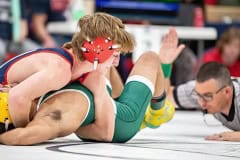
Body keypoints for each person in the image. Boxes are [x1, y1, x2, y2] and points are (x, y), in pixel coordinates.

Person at [0, 26, 184, 145]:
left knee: (103, 70)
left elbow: (18, 98)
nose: (10, 89)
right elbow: (104, 133)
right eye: (115, 55)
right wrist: (97, 92)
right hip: (119, 122)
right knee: (150, 58)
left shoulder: (43, 83)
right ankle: (158, 112)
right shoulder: (51, 115)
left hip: (99, 100)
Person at [0, 12, 135, 128]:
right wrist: (25, 134)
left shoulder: (76, 69)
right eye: (115, 55)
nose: (116, 64)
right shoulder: (61, 69)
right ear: (99, 50)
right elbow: (18, 98)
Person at [168, 61, 240, 141]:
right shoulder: (202, 89)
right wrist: (165, 65)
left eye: (208, 96)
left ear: (227, 92)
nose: (202, 103)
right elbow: (167, 95)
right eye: (198, 95)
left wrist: (233, 136)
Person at [0, 0, 40, 64]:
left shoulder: (18, 1)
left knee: (38, 52)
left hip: (14, 40)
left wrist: (22, 35)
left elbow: (23, 23)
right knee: (0, 51)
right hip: (1, 39)